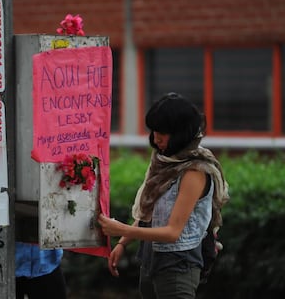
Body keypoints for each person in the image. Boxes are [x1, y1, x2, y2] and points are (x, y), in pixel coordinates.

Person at [98, 93, 229, 299]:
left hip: (178, 266)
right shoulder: (164, 159)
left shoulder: (195, 170)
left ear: (181, 133)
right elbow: (149, 214)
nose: (156, 138)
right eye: (154, 131)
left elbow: (172, 232)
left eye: (163, 133)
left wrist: (118, 229)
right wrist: (123, 242)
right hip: (151, 262)